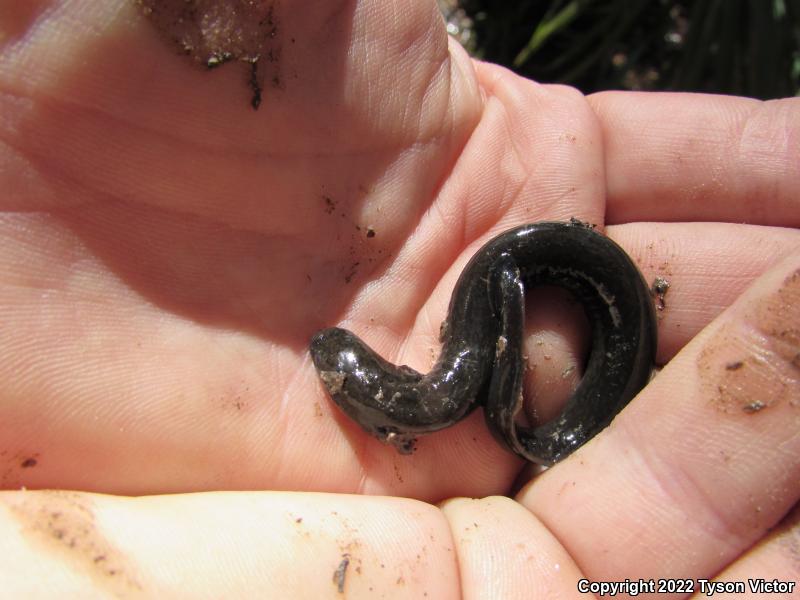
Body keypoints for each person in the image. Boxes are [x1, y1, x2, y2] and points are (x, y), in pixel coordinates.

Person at [0, 1, 797, 596]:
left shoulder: (445, 367)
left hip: (538, 294)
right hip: (504, 338)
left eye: (343, 368)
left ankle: (544, 411)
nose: (339, 357)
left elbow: (407, 404)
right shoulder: (432, 384)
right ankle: (544, 422)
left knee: (537, 303)